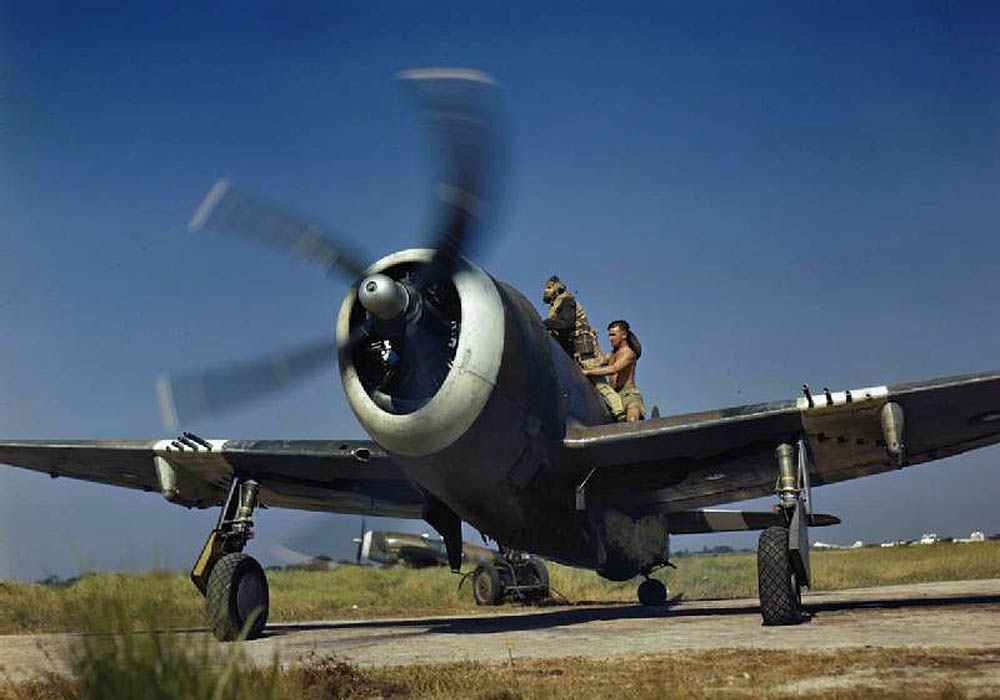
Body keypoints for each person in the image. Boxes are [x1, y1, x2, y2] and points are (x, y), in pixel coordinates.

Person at [582, 319, 645, 422]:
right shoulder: (612, 354)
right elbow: (599, 360)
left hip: (628, 395)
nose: (610, 339)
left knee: (632, 422)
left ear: (624, 335)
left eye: (613, 335)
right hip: (613, 395)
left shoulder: (629, 353)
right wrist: (594, 342)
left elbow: (614, 369)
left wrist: (588, 372)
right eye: (609, 335)